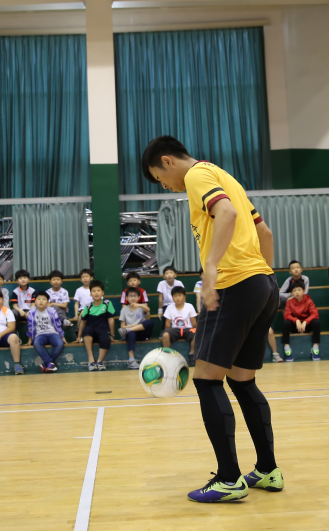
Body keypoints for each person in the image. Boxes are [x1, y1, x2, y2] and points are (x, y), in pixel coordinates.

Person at [143, 135, 282, 502]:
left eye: (159, 178)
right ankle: (267, 470)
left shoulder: (196, 177)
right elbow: (263, 231)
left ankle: (228, 479)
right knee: (241, 379)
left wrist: (210, 271)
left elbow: (228, 214)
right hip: (263, 282)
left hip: (235, 285)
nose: (164, 185)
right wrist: (266, 277)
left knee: (206, 379)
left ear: (168, 161)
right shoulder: (225, 176)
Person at [75, 280, 115, 371]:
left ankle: (100, 361)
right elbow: (83, 322)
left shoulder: (107, 303)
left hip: (103, 329)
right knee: (87, 331)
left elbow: (111, 320)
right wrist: (79, 336)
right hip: (91, 328)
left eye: (98, 290)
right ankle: (91, 360)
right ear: (90, 294)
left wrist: (112, 335)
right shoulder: (88, 306)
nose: (96, 293)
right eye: (93, 291)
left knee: (105, 339)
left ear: (102, 292)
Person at [281, 282, 321, 361]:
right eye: (294, 290)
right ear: (291, 293)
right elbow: (287, 315)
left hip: (306, 326)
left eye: (299, 290)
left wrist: (305, 322)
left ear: (304, 291)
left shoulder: (309, 301)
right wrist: (296, 321)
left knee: (316, 322)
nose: (297, 292)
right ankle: (287, 348)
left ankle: (315, 348)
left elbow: (315, 314)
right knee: (286, 323)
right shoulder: (289, 302)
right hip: (295, 326)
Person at [27, 292, 64, 373]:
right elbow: (30, 327)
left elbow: (58, 324)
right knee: (36, 344)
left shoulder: (52, 311)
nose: (41, 301)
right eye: (39, 299)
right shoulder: (32, 312)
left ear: (47, 302)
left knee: (60, 344)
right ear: (35, 301)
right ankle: (50, 364)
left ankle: (46, 364)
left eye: (44, 299)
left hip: (53, 333)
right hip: (40, 334)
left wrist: (62, 337)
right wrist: (30, 339)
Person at [118, 286, 154, 370]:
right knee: (130, 333)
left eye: (135, 296)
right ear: (126, 298)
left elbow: (148, 310)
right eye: (130, 296)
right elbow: (122, 326)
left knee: (150, 322)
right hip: (132, 333)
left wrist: (140, 305)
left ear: (138, 297)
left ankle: (129, 330)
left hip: (142, 333)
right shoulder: (124, 310)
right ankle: (131, 360)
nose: (133, 298)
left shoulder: (141, 307)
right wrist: (133, 327)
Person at [161, 285, 198, 365]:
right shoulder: (169, 307)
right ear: (172, 297)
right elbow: (167, 323)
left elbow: (194, 322)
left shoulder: (189, 306)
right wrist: (166, 332)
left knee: (197, 334)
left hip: (188, 329)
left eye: (180, 295)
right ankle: (167, 355)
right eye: (175, 296)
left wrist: (196, 330)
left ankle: (192, 354)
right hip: (175, 329)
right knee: (165, 335)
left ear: (184, 297)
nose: (177, 298)